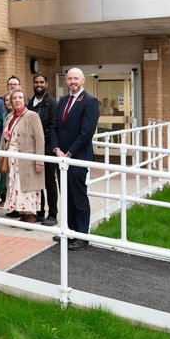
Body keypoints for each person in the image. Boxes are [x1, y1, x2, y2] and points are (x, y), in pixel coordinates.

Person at [51, 67, 100, 251]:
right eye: (70, 78)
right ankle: (69, 231)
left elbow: (86, 133)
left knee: (78, 197)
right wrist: (56, 149)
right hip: (61, 158)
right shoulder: (63, 100)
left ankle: (81, 236)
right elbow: (55, 127)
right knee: (66, 196)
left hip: (77, 158)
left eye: (76, 79)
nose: (72, 81)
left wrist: (69, 153)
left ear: (83, 80)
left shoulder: (90, 102)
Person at [0, 90, 45, 223]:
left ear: (24, 100)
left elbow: (40, 139)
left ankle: (30, 215)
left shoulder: (32, 116)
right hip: (12, 160)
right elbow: (4, 139)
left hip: (27, 160)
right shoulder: (9, 117)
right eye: (14, 98)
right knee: (15, 187)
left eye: (20, 97)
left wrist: (39, 161)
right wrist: (0, 157)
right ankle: (22, 214)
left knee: (27, 188)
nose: (17, 100)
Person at [28, 73, 59, 226]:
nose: (38, 85)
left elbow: (53, 126)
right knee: (36, 183)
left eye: (41, 82)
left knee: (49, 182)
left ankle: (52, 214)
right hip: (32, 150)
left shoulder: (52, 103)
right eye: (36, 82)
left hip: (46, 149)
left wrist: (41, 140)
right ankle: (39, 212)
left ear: (46, 84)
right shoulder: (30, 103)